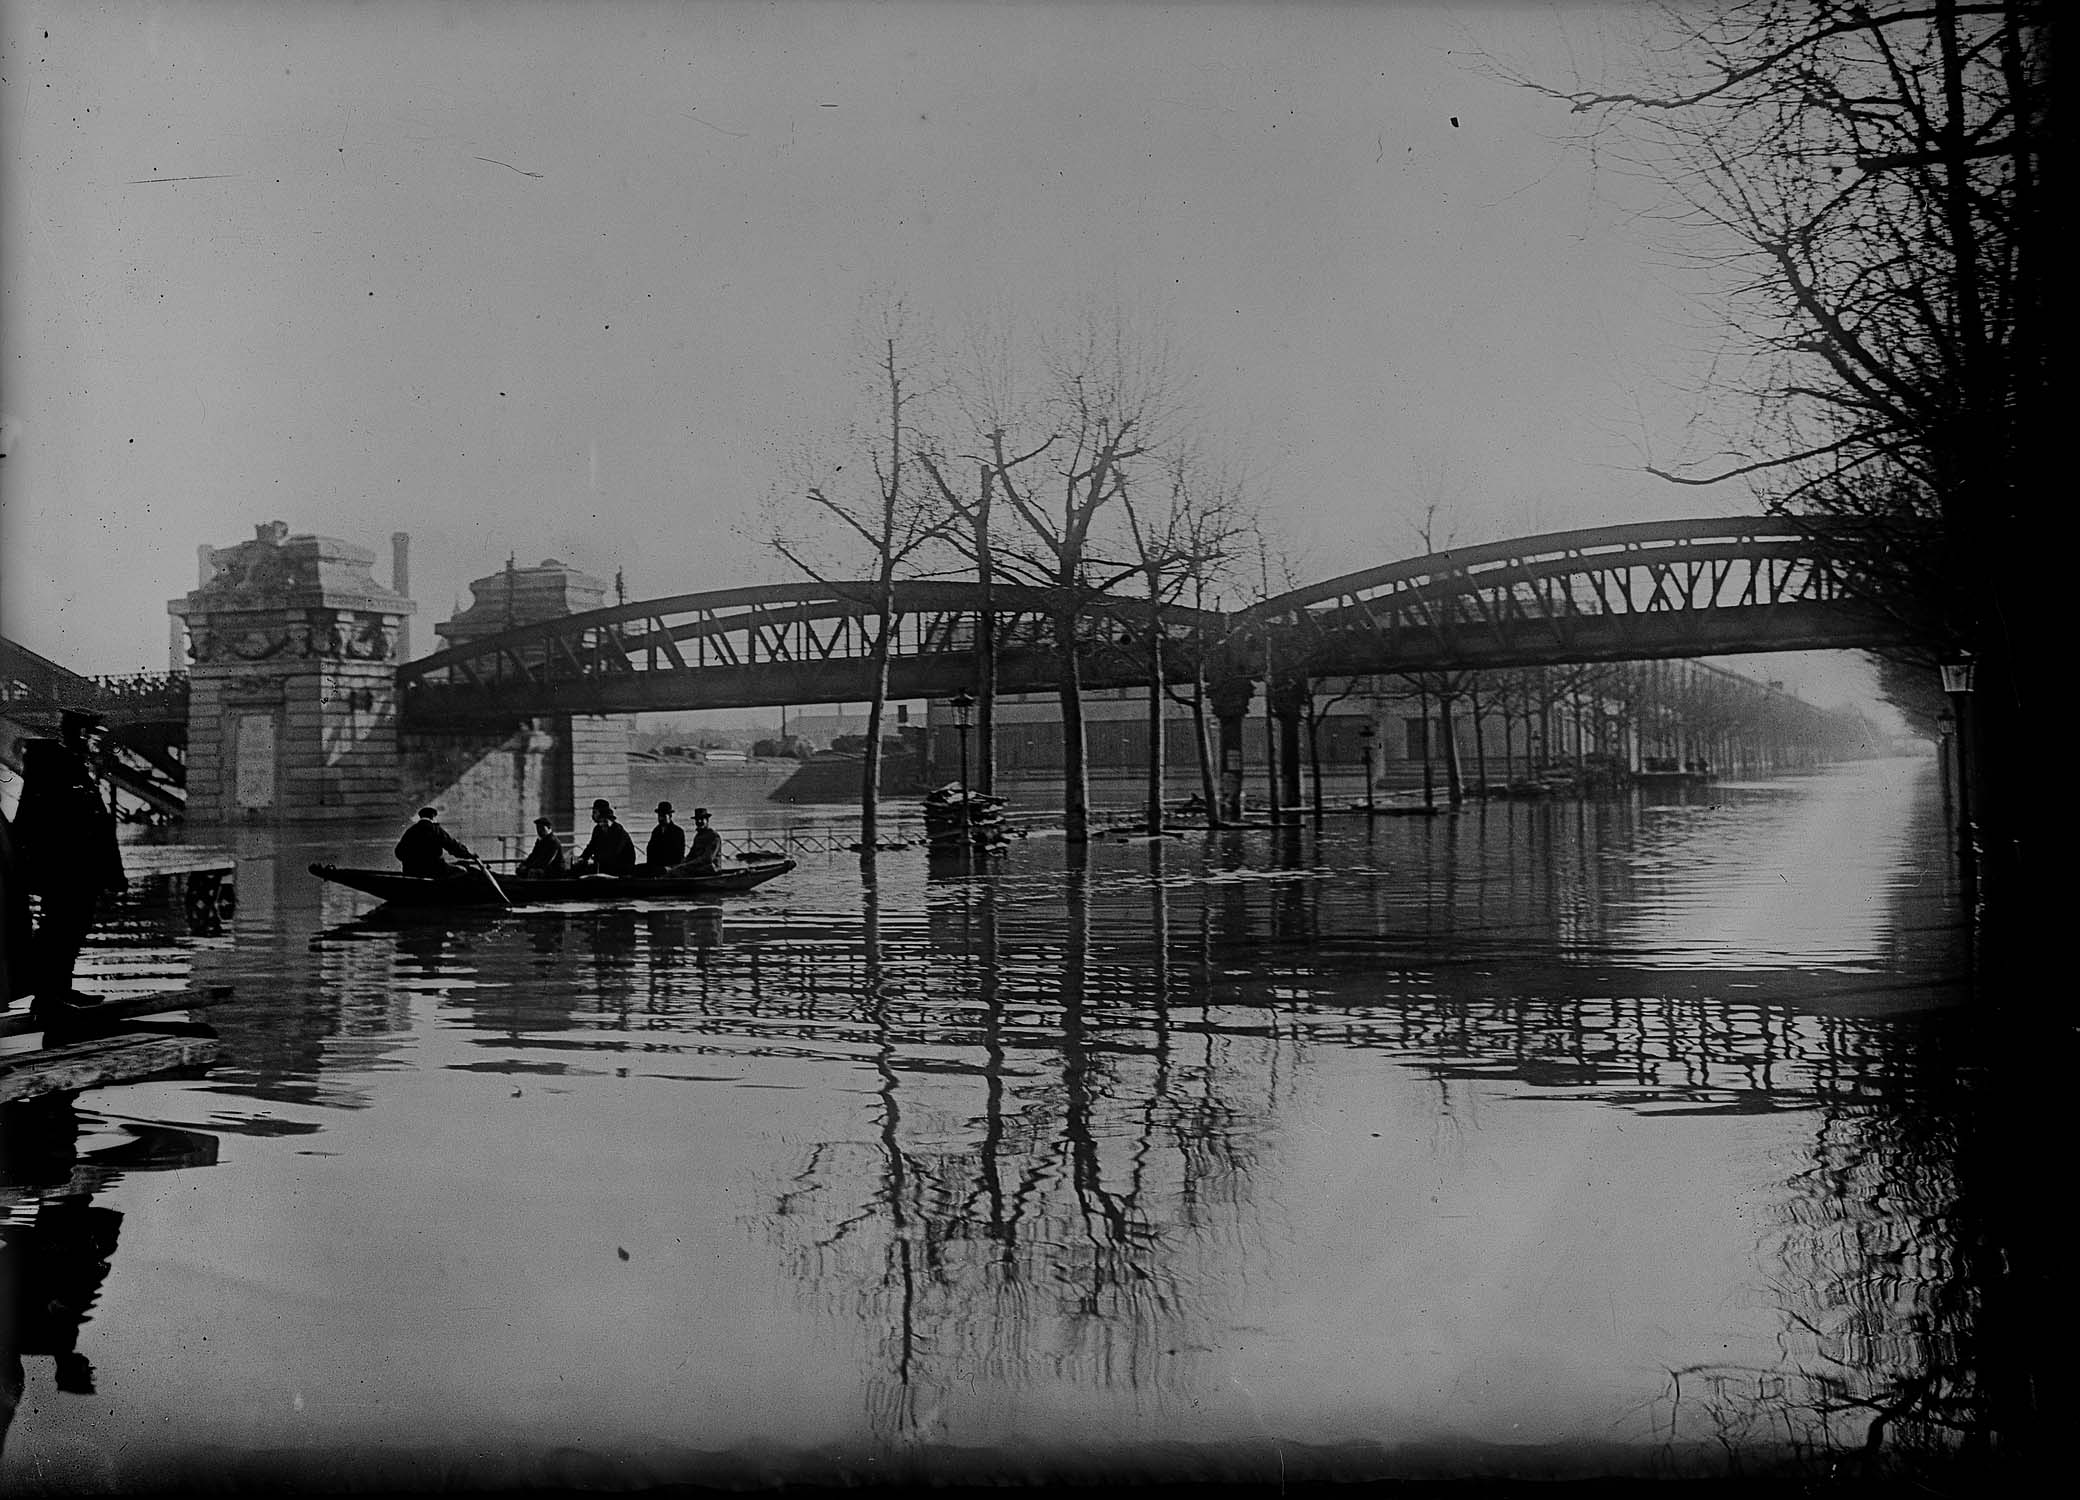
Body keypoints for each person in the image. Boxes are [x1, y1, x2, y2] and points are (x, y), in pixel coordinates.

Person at [11, 710, 126, 1021]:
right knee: (60, 931)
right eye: (94, 736)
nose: (98, 742)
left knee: (71, 929)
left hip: (78, 870)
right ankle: (49, 997)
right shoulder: (56, 766)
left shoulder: (70, 766)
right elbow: (53, 824)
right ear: (79, 735)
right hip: (65, 871)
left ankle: (60, 989)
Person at [394, 807, 477, 879]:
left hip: (411, 871)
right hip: (433, 870)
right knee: (462, 870)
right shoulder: (435, 829)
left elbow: (398, 852)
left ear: (421, 817)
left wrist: (412, 862)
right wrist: (469, 854)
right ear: (433, 817)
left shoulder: (410, 831)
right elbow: (452, 846)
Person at [571, 798, 637, 877]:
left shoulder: (618, 831)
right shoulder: (597, 829)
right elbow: (591, 847)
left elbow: (613, 854)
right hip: (606, 869)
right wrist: (582, 858)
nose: (593, 815)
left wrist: (595, 859)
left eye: (595, 812)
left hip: (621, 872)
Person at [675, 806, 723, 874]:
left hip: (711, 869)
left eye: (701, 819)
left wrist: (688, 865)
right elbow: (691, 855)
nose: (699, 821)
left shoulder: (714, 837)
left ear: (707, 820)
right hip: (698, 867)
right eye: (697, 820)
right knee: (675, 870)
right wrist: (682, 863)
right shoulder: (698, 837)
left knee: (682, 871)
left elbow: (707, 859)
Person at [643, 802, 686, 874]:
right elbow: (650, 850)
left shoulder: (678, 832)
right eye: (659, 815)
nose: (661, 818)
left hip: (671, 867)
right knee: (638, 868)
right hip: (656, 866)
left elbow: (679, 855)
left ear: (670, 815)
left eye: (663, 815)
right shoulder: (656, 831)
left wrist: (669, 867)